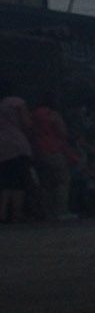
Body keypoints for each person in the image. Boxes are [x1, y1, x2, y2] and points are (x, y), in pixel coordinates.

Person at [31, 90, 78, 219]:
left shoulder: (34, 114)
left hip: (39, 151)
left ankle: (48, 212)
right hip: (54, 149)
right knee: (62, 181)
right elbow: (62, 132)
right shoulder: (53, 114)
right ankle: (61, 211)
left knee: (46, 183)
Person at [0, 86, 33, 223]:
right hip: (17, 144)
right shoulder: (16, 102)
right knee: (19, 182)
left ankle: (2, 213)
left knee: (6, 182)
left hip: (2, 146)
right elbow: (26, 123)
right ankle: (16, 213)